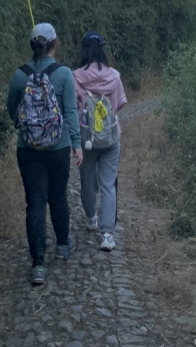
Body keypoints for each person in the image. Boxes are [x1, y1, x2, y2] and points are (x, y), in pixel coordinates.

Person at [7, 22, 82, 286]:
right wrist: (76, 143)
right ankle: (62, 245)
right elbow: (71, 111)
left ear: (32, 45)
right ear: (54, 43)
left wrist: (26, 128)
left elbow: (12, 110)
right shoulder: (64, 74)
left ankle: (38, 264)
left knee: (35, 202)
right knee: (58, 196)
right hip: (58, 147)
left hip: (28, 149)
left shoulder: (20, 75)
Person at [73, 30, 128, 252]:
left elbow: (72, 107)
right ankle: (107, 235)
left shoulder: (75, 76)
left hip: (86, 140)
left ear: (84, 51)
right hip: (110, 139)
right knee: (108, 185)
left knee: (87, 182)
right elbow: (118, 105)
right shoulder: (114, 76)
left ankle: (91, 217)